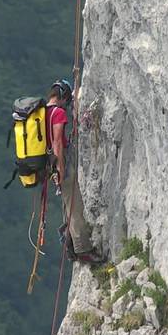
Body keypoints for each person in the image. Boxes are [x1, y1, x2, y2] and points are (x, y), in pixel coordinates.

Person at [47, 81, 105, 264]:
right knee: (74, 204)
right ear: (63, 97)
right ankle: (82, 249)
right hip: (59, 162)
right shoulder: (58, 113)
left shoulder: (42, 113)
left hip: (48, 163)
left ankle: (69, 240)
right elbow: (57, 142)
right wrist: (60, 167)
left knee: (67, 201)